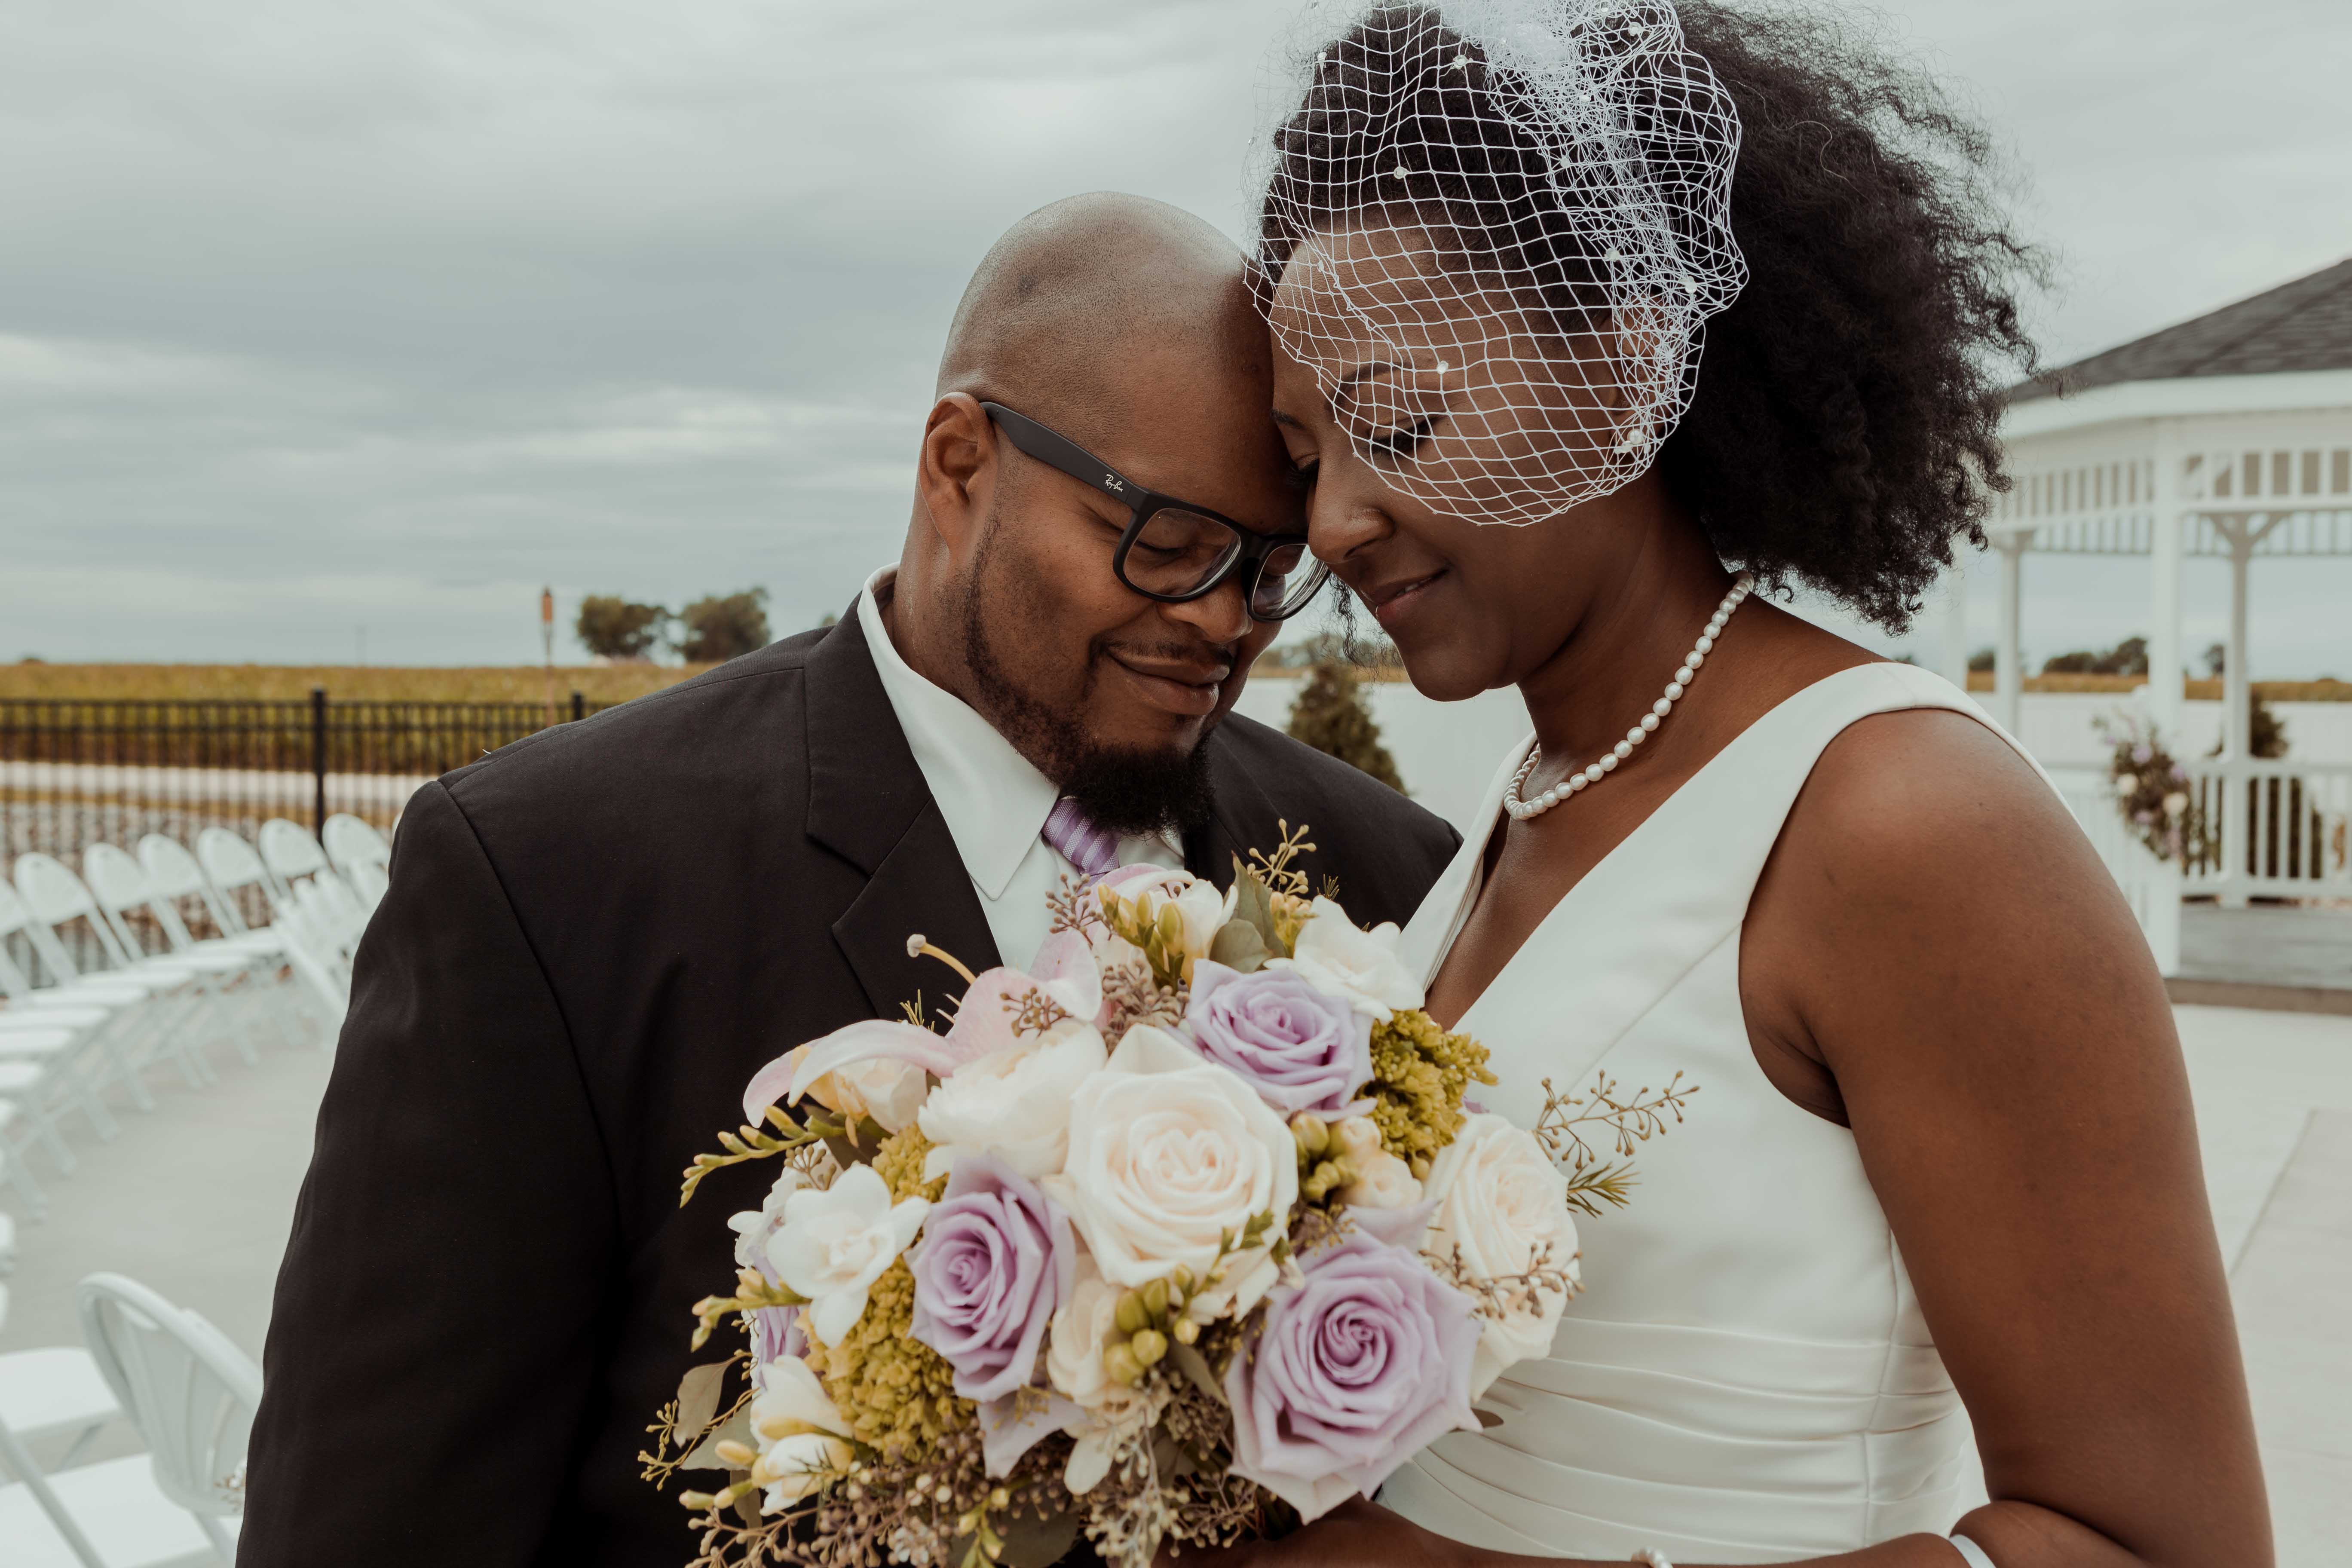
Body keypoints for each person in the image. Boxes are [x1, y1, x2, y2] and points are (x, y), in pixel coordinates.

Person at [237, 193, 1461, 1568]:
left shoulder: (1390, 879)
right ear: (959, 461)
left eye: (1268, 570)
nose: (1221, 625)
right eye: (1167, 546)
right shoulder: (547, 881)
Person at [1222, 3, 2271, 1566]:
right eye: (1305, 454)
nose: (1339, 521)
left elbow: (2160, 1545)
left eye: (1402, 420)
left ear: (1630, 357)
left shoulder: (1904, 819)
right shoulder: (1525, 807)